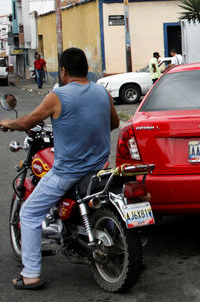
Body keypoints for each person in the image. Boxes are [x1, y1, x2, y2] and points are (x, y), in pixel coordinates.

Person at [1, 47, 119, 290]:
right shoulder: (102, 93)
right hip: (100, 167)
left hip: (68, 172)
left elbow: (28, 122)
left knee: (30, 214)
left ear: (63, 71)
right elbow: (114, 122)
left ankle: (31, 273)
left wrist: (8, 123)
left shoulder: (59, 96)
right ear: (86, 69)